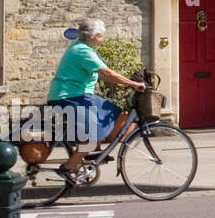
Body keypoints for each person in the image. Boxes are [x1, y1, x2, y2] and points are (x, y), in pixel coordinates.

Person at [46, 19, 144, 185]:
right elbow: (107, 72)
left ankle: (93, 151)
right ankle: (69, 167)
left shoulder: (84, 49)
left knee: (112, 111)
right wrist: (133, 83)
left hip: (80, 95)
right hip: (69, 96)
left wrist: (120, 84)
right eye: (99, 36)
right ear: (90, 36)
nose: (102, 39)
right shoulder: (82, 51)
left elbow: (103, 75)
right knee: (93, 134)